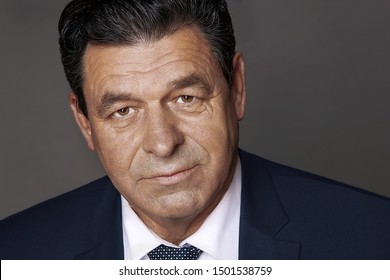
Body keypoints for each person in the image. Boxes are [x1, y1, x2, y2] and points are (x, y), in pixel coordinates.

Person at [1, 0, 390, 260]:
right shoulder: (17, 252)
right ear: (85, 123)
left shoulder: (372, 240)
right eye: (122, 111)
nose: (162, 143)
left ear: (236, 88)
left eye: (185, 98)